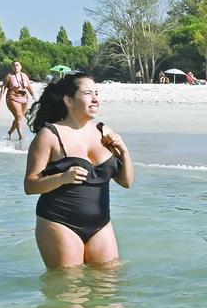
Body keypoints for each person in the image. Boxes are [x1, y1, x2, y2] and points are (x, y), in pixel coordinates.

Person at [24, 71, 133, 270]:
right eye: (88, 93)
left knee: (108, 289)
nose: (95, 99)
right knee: (69, 292)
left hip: (101, 224)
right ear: (69, 100)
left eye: (97, 93)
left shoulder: (104, 132)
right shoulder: (49, 135)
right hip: (59, 222)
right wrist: (62, 178)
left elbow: (126, 182)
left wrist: (124, 151)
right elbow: (30, 185)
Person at [3, 61, 34, 140]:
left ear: (21, 67)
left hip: (24, 98)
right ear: (12, 67)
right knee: (18, 116)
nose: (16, 67)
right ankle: (21, 136)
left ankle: (10, 132)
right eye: (14, 65)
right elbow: (3, 87)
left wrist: (33, 95)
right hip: (13, 98)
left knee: (19, 118)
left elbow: (29, 87)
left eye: (17, 65)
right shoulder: (9, 76)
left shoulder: (24, 75)